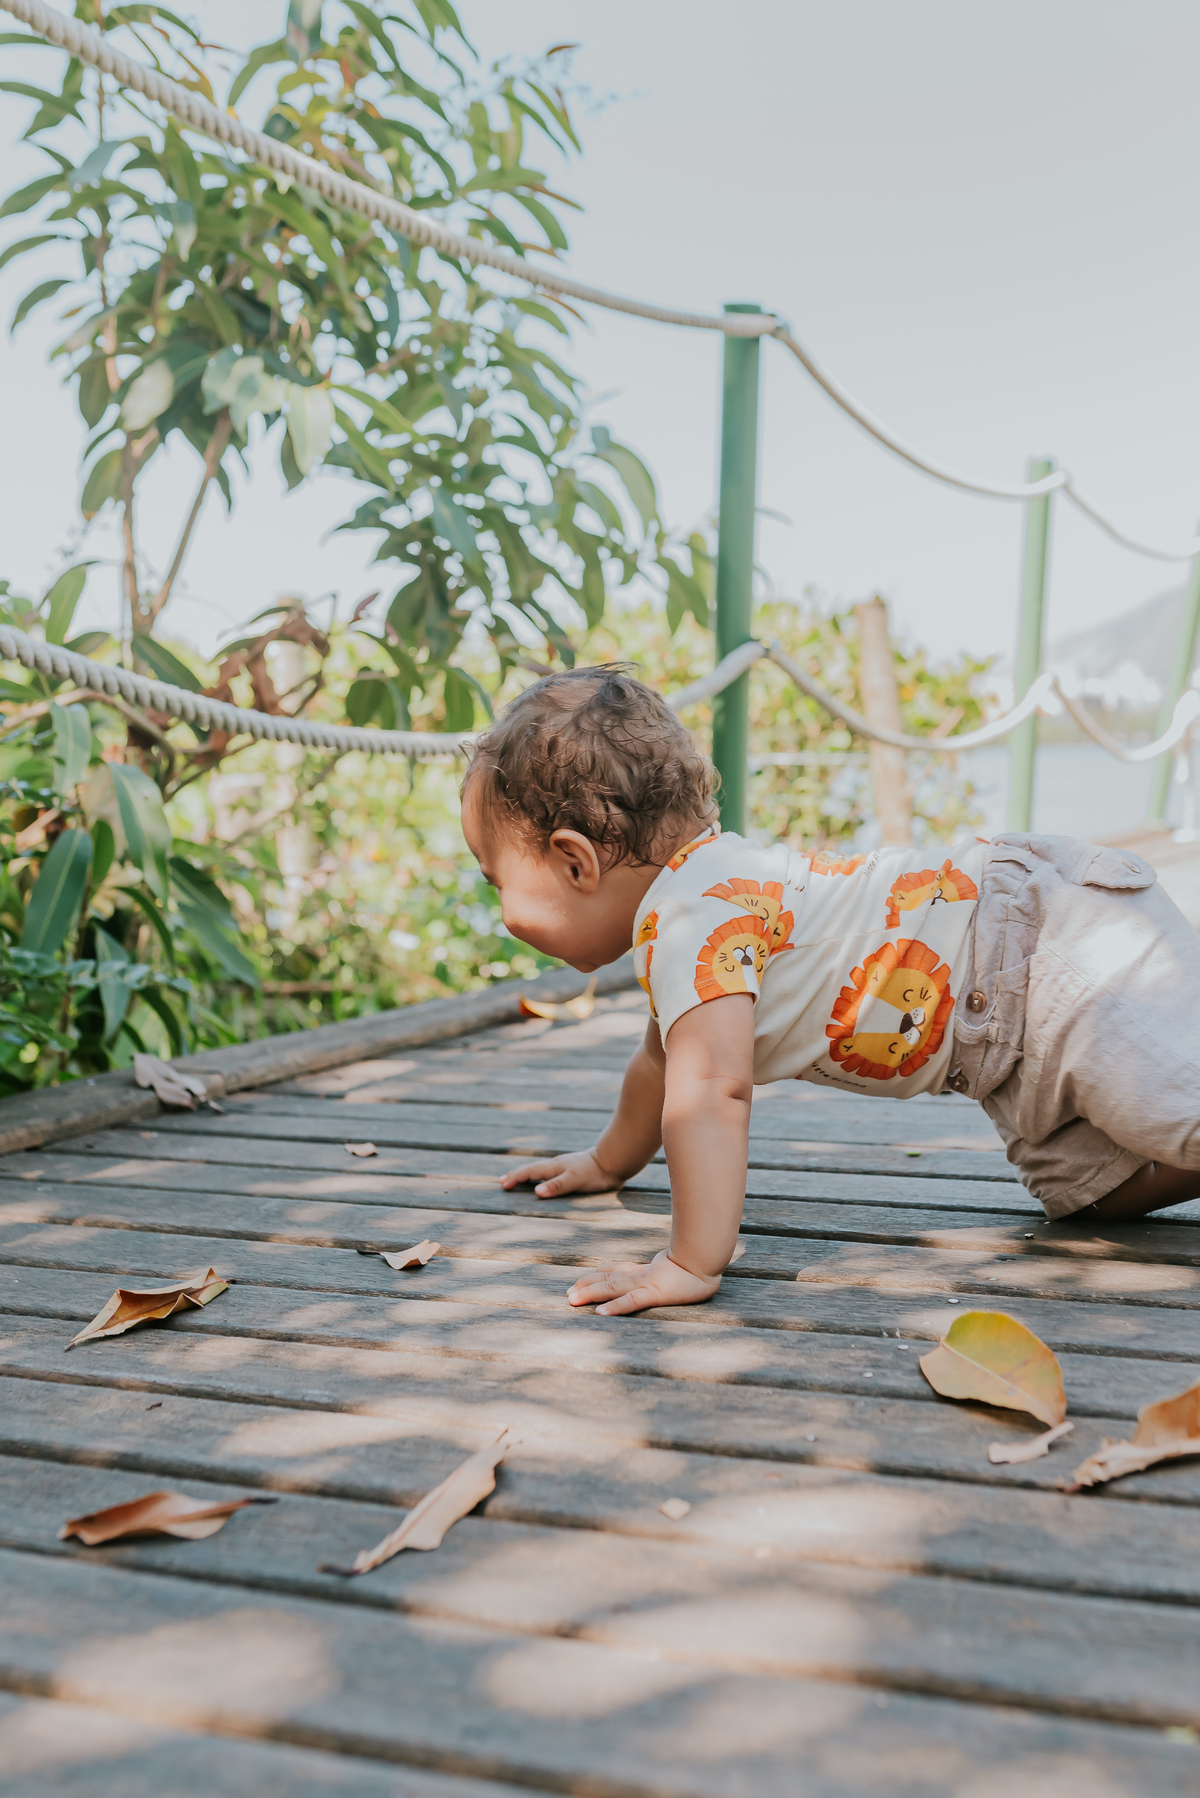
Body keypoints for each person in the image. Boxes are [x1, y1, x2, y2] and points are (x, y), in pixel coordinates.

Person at [461, 663, 1200, 1317]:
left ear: (575, 862)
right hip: (1003, 1040)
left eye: (496, 879)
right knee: (1093, 1193)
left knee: (1181, 1119)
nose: (499, 910)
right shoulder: (699, 895)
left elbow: (710, 1092)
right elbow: (661, 1069)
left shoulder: (685, 919)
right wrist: (606, 1163)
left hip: (1044, 947)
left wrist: (690, 1261)